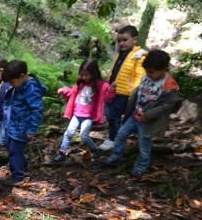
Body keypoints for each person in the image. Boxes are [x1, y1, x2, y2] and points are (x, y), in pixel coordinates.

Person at [101, 49, 181, 177]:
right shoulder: (146, 77)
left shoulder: (168, 85)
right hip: (135, 115)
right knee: (120, 134)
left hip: (148, 121)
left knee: (144, 145)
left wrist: (148, 115)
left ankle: (141, 166)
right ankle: (115, 157)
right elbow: (138, 92)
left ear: (164, 69)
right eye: (147, 71)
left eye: (152, 72)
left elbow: (166, 105)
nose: (148, 74)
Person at [52, 59, 110, 163]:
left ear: (93, 73)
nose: (83, 77)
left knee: (84, 135)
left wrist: (112, 90)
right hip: (77, 114)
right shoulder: (80, 84)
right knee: (68, 133)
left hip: (88, 116)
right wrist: (64, 91)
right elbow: (73, 94)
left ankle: (95, 150)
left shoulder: (99, 86)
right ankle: (62, 152)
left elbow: (106, 97)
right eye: (81, 74)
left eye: (86, 75)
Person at [100, 25, 147, 151]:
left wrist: (134, 91)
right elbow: (115, 71)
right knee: (110, 114)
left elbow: (139, 74)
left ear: (135, 39)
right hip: (113, 90)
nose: (121, 43)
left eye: (125, 40)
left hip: (126, 93)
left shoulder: (139, 55)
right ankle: (115, 137)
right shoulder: (120, 54)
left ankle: (113, 139)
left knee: (114, 116)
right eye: (119, 41)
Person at [2, 60, 47, 185]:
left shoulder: (31, 89)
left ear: (22, 76)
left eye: (12, 82)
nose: (11, 85)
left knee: (15, 151)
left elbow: (36, 110)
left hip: (22, 127)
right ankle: (22, 167)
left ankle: (18, 176)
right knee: (10, 146)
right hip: (14, 124)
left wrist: (31, 129)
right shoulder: (19, 86)